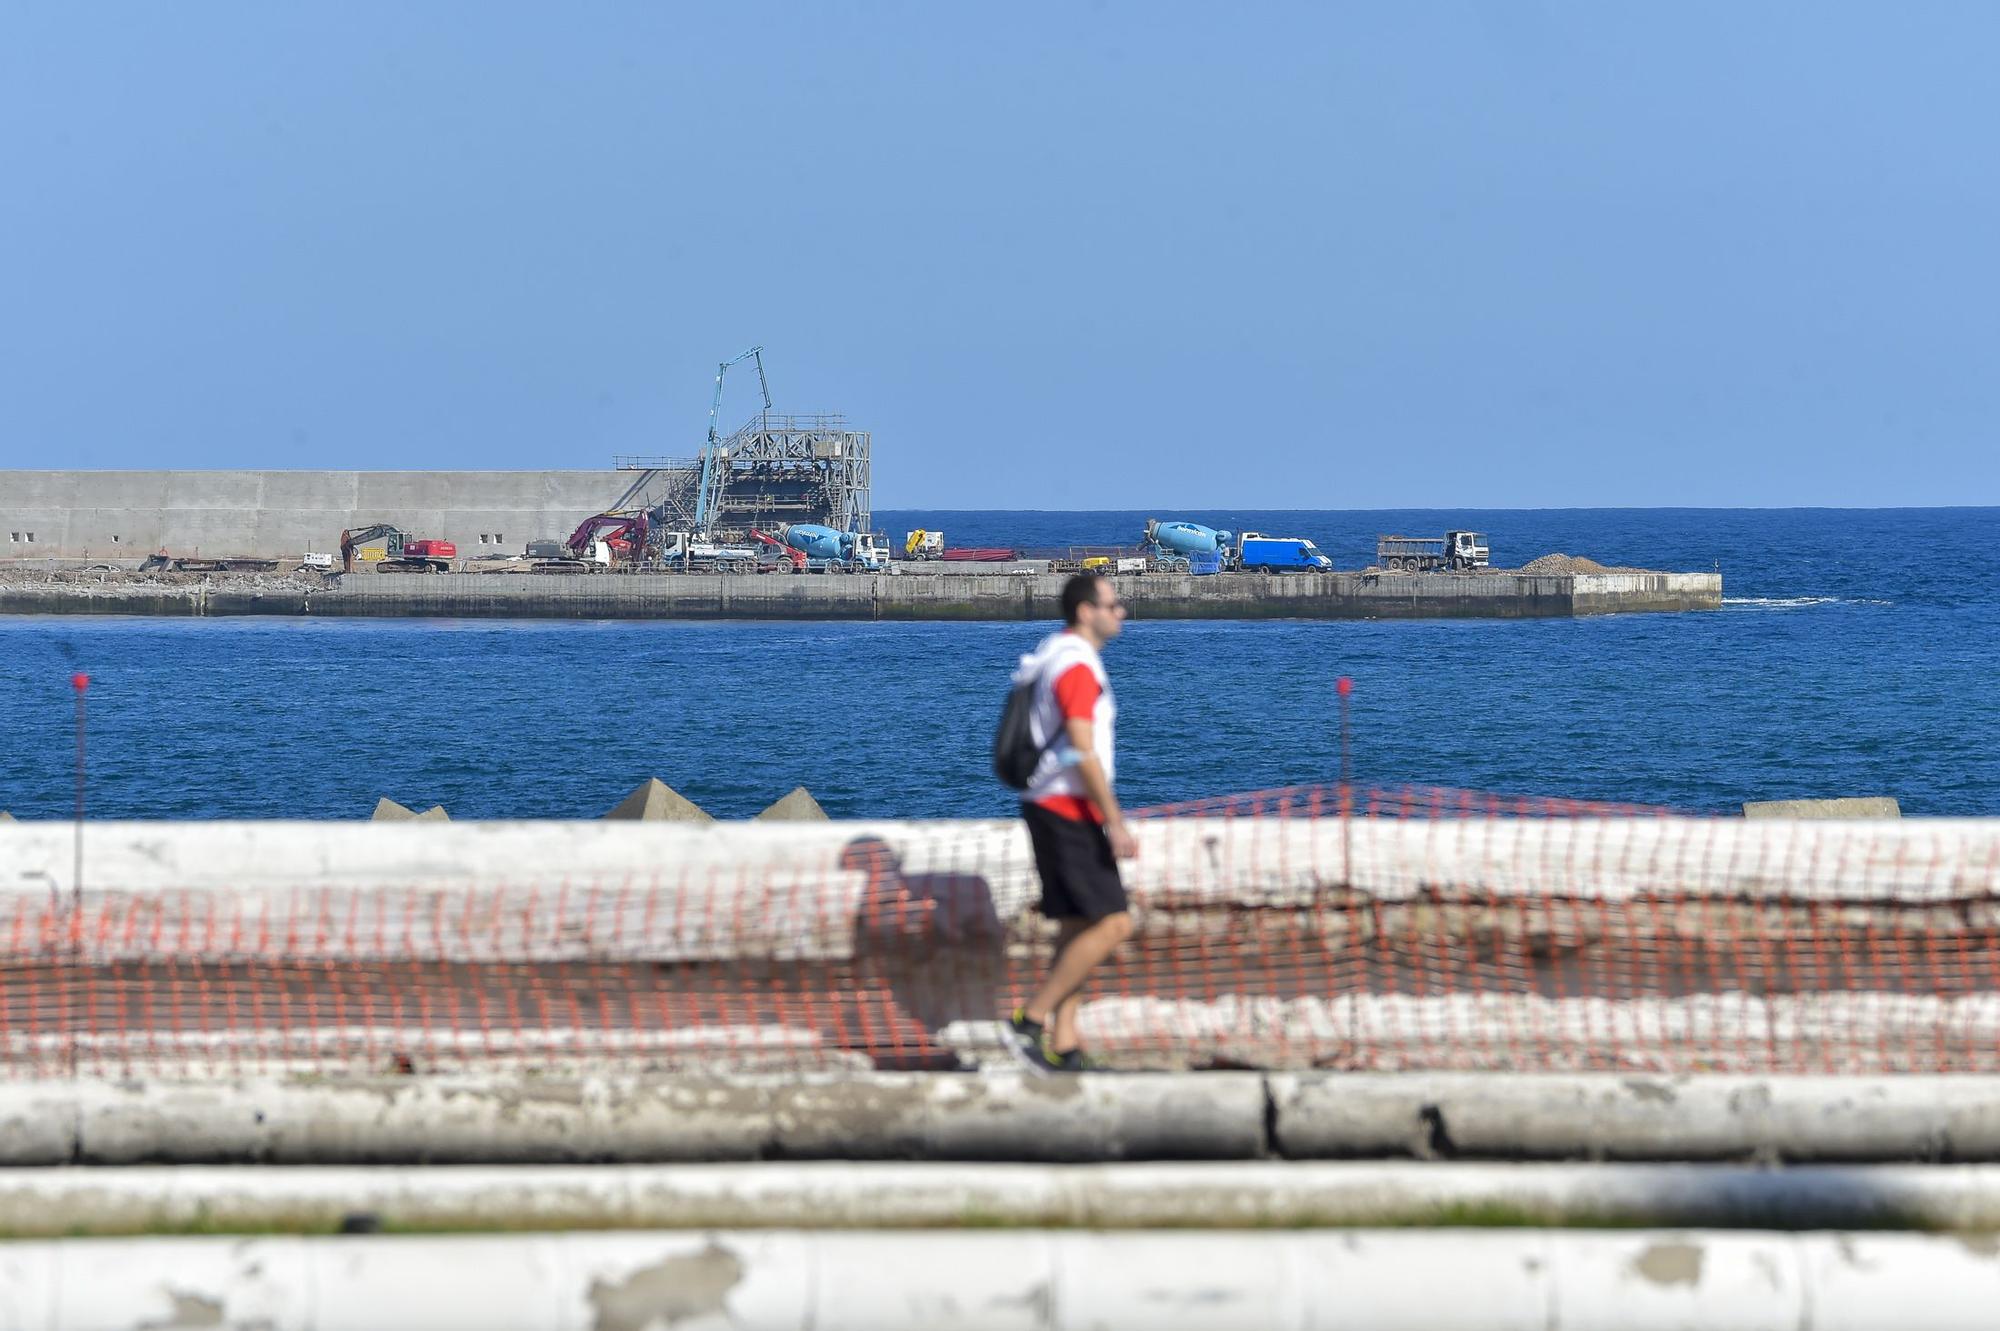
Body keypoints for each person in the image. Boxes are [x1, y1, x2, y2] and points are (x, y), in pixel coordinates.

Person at [1001, 571, 1137, 1073]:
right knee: (1114, 922)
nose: (1121, 612)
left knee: (1078, 925)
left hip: (1050, 804)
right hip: (1066, 808)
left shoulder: (1052, 651)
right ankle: (1029, 1021)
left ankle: (1066, 1041)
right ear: (1087, 611)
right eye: (1113, 604)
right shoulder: (1078, 665)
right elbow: (1082, 749)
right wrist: (1114, 820)